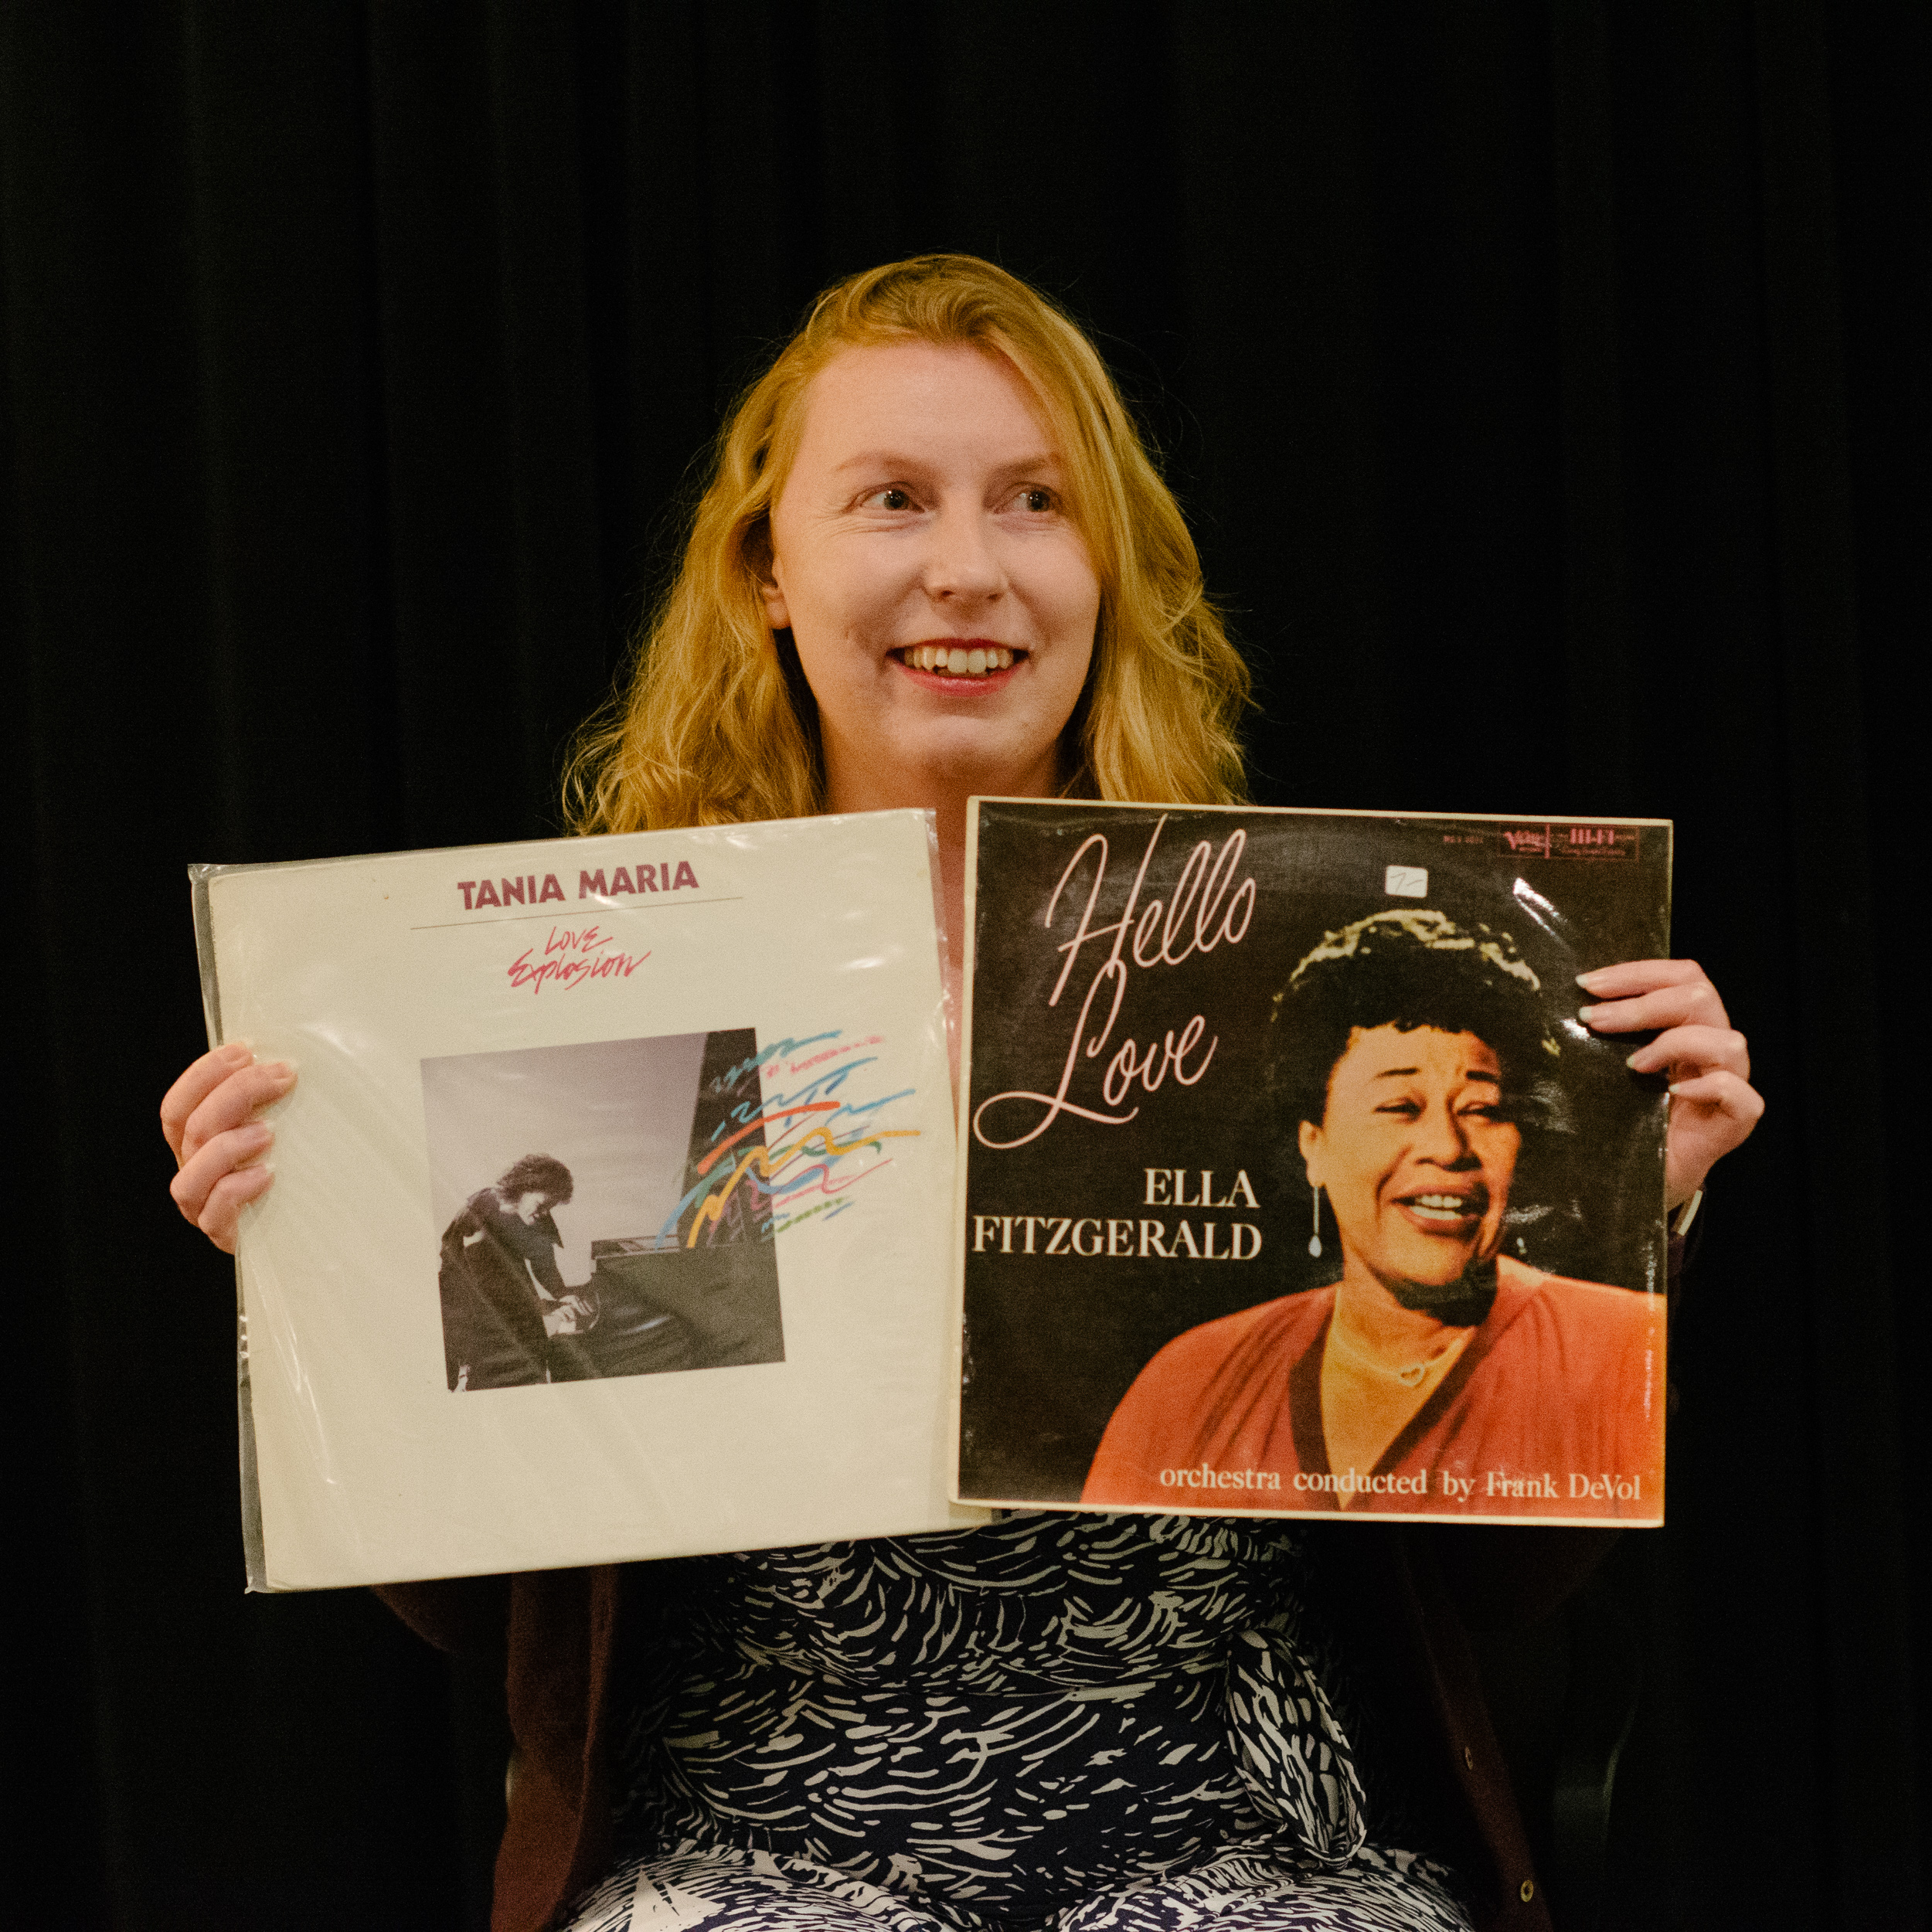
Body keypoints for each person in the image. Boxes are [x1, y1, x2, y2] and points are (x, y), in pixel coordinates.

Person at [158, 255, 1763, 1932]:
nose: (966, 569)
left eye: (1032, 502)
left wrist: (1622, 1219)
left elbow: (1496, 1576)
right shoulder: (604, 979)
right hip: (754, 1832)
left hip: (1243, 1832)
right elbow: (477, 1615)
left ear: (1103, 568)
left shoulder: (1267, 961)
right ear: (765, 570)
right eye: (890, 500)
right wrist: (324, 1265)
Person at [1083, 910, 1664, 1519]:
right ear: (1314, 1145)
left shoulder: (1626, 1353)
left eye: (1483, 1108)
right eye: (1397, 1106)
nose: (1447, 1146)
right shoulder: (1190, 1384)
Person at [439, 1154, 596, 1392]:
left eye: (550, 1208)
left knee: (532, 1351)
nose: (544, 1213)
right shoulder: (482, 1209)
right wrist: (546, 1307)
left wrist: (561, 1293)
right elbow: (485, 1284)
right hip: (466, 1295)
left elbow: (543, 1261)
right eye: (542, 1205)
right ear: (524, 1188)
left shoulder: (534, 1211)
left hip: (504, 1283)